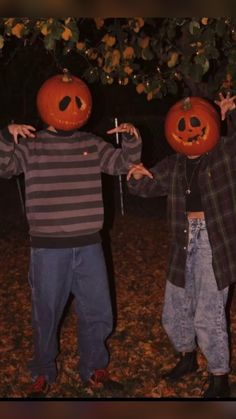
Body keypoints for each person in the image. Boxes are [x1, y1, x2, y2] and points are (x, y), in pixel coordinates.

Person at [0, 118, 141, 397]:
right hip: (48, 249)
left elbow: (122, 163)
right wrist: (5, 136)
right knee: (47, 314)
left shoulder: (90, 142)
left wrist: (132, 139)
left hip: (89, 246)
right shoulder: (32, 143)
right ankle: (43, 371)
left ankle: (94, 368)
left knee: (98, 311)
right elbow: (4, 167)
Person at [126, 92, 236, 398]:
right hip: (183, 241)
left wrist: (230, 115)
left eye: (196, 123)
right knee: (174, 311)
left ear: (211, 124)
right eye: (182, 125)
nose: (189, 129)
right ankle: (187, 358)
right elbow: (146, 186)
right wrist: (135, 176)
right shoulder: (173, 164)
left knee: (208, 313)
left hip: (214, 241)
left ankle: (219, 377)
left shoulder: (223, 154)